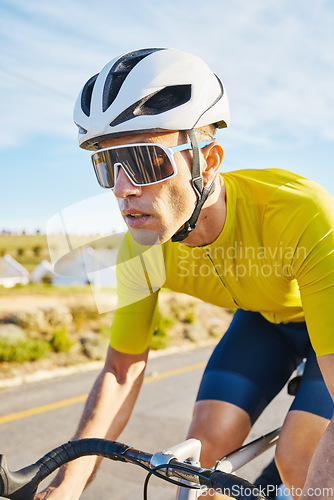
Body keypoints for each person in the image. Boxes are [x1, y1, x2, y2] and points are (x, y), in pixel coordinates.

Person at [36, 48, 334, 500]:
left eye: (143, 160)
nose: (121, 188)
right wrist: (67, 484)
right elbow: (120, 372)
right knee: (201, 459)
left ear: (207, 160)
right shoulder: (139, 251)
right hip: (261, 320)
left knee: (301, 463)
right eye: (106, 164)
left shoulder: (300, 213)